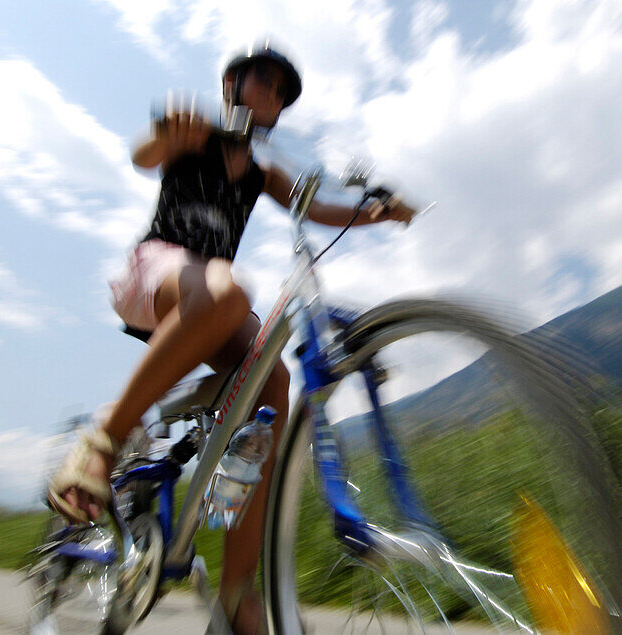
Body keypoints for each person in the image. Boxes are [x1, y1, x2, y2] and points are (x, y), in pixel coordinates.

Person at [47, 42, 415, 633]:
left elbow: (317, 208)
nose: (270, 96)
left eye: (280, 93)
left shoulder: (264, 173)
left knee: (272, 382)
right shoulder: (198, 138)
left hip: (208, 300)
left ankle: (240, 593)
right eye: (262, 82)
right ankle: (104, 440)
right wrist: (171, 123)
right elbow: (147, 153)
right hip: (158, 270)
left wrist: (378, 211)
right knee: (227, 292)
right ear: (231, 85)